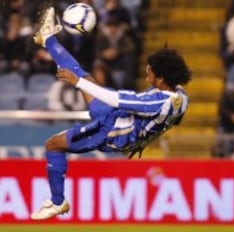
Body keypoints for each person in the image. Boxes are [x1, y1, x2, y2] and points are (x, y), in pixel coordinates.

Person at [30, 7, 191, 220]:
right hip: (120, 119)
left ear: (160, 79)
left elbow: (115, 99)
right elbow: (170, 122)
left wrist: (75, 83)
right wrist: (143, 140)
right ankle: (48, 38)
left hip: (114, 131)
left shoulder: (157, 102)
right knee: (85, 78)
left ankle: (57, 202)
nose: (146, 71)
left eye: (150, 69)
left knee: (53, 144)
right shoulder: (181, 97)